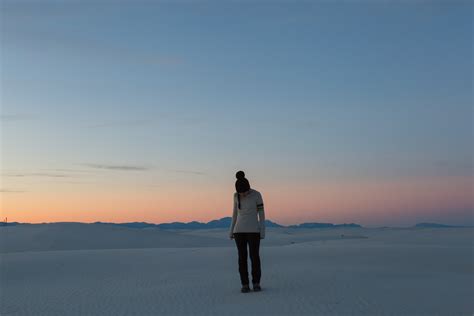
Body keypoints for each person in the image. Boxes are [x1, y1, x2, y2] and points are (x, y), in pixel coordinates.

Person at [229, 170, 265, 293]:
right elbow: (234, 214)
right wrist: (231, 230)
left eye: (245, 192)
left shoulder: (256, 195)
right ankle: (245, 284)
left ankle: (256, 283)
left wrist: (262, 230)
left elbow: (261, 214)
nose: (243, 194)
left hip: (254, 231)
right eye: (240, 192)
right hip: (239, 231)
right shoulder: (235, 196)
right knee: (241, 258)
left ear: (248, 188)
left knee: (254, 257)